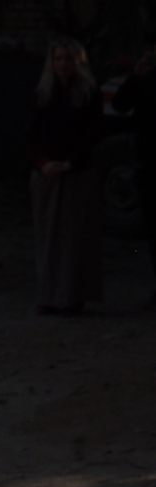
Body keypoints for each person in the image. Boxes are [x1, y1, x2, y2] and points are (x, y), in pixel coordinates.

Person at [27, 39, 103, 316]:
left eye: (68, 59)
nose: (63, 65)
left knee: (75, 238)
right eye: (58, 59)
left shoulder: (87, 94)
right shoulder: (43, 93)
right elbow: (32, 134)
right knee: (48, 237)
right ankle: (49, 295)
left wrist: (70, 162)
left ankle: (72, 296)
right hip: (47, 172)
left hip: (76, 171)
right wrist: (45, 163)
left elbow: (92, 132)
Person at [111, 41, 156, 308]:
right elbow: (119, 105)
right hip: (149, 166)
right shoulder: (145, 78)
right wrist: (136, 77)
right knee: (152, 231)